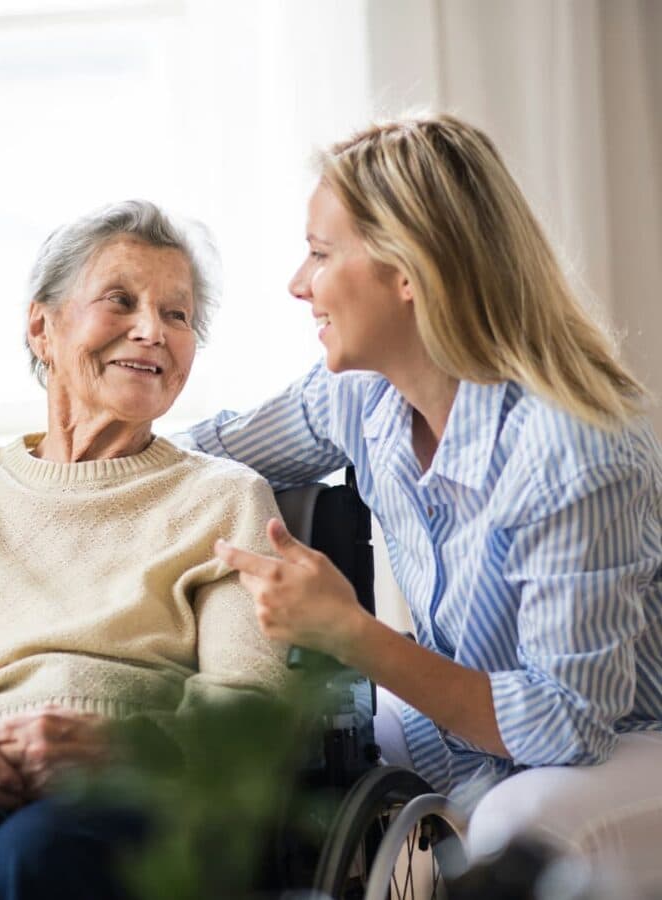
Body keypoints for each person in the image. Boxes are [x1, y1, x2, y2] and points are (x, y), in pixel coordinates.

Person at [205, 114, 662, 860]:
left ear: (408, 272)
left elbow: (564, 727)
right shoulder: (363, 398)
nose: (297, 285)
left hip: (629, 746)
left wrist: (351, 633)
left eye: (320, 254)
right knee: (282, 768)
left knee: (520, 829)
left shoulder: (573, 447)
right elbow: (205, 454)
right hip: (486, 739)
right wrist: (0, 471)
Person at [0, 200, 286, 900]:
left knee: (32, 859)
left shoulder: (227, 500)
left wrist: (118, 747)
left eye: (178, 315)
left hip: (139, 789)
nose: (152, 330)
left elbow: (249, 708)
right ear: (42, 327)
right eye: (120, 299)